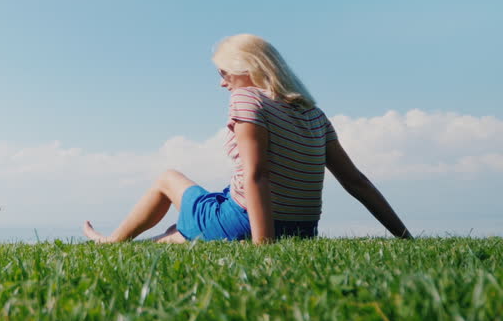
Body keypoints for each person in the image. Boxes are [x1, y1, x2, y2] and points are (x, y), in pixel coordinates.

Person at [83, 34, 412, 244]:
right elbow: (356, 181)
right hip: (301, 231)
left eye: (224, 73)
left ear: (246, 68)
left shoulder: (247, 99)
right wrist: (404, 236)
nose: (222, 83)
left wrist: (262, 247)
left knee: (168, 179)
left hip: (248, 223)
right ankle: (166, 240)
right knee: (177, 234)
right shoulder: (313, 113)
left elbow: (258, 174)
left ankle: (113, 243)